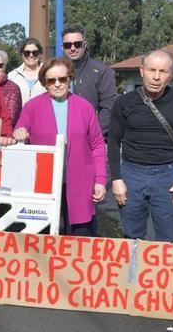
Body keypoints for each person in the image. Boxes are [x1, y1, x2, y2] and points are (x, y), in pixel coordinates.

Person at [108, 50, 173, 242]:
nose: (156, 77)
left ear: (171, 74)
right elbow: (113, 141)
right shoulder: (124, 102)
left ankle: (165, 272)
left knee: (168, 238)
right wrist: (116, 179)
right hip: (131, 174)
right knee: (132, 237)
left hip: (169, 177)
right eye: (152, 70)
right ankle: (134, 272)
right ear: (142, 71)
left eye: (163, 71)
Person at [13, 57, 107, 236]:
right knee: (43, 237)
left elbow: (97, 146)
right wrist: (20, 132)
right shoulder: (32, 107)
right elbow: (20, 129)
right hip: (44, 184)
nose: (57, 84)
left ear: (69, 79)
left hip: (80, 183)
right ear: (45, 83)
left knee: (81, 236)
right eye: (51, 80)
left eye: (62, 79)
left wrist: (100, 180)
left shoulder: (85, 107)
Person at [62, 24, 118, 136]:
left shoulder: (102, 71)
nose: (73, 48)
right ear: (62, 47)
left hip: (91, 137)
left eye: (77, 44)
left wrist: (93, 134)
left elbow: (108, 107)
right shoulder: (54, 71)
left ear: (85, 44)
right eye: (68, 45)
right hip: (60, 136)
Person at [8, 37, 47, 105]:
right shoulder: (12, 76)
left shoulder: (48, 73)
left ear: (40, 54)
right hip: (20, 115)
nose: (31, 55)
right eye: (27, 53)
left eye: (35, 52)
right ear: (22, 54)